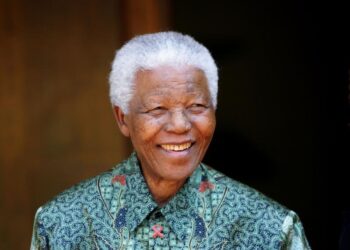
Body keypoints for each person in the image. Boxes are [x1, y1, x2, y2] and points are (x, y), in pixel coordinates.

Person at [31, 32, 311, 249]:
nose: (180, 125)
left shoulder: (270, 228)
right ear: (123, 118)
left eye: (197, 106)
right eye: (157, 109)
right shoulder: (63, 224)